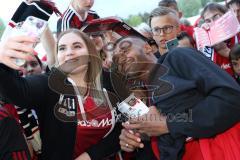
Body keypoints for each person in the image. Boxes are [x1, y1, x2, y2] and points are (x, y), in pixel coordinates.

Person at [112, 35, 240, 160]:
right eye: (116, 59)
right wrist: (138, 136)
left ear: (147, 48)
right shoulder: (148, 94)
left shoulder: (177, 57)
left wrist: (169, 124)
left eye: (125, 50)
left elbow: (231, 97)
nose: (120, 58)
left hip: (220, 151)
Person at [0, 29, 121, 160]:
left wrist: (90, 155)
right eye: (62, 48)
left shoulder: (112, 80)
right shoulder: (49, 85)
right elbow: (17, 91)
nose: (69, 52)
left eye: (77, 46)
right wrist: (4, 61)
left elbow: (134, 118)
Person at [200, 2, 238, 76]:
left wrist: (226, 52)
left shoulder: (237, 32)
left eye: (216, 17)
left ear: (226, 15)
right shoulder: (208, 45)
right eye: (208, 21)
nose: (213, 23)